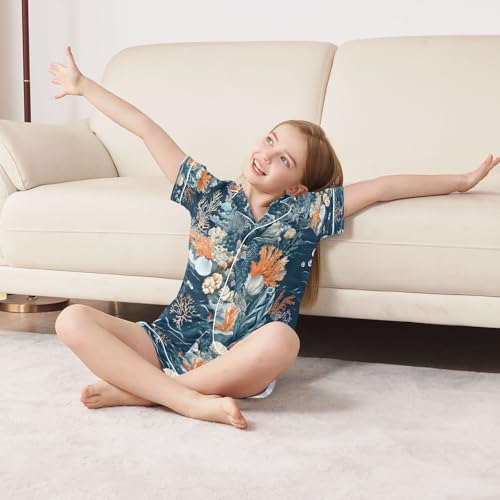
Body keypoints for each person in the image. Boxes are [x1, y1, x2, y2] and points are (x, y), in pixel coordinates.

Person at [48, 46, 499, 430]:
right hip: (167, 341)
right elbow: (147, 129)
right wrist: (84, 86)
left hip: (239, 360)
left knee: (284, 340)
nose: (266, 154)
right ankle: (182, 398)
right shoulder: (208, 193)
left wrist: (462, 181)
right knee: (71, 319)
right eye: (269, 140)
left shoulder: (307, 214)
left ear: (299, 187)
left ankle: (149, 393)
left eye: (284, 159)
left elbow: (384, 187)